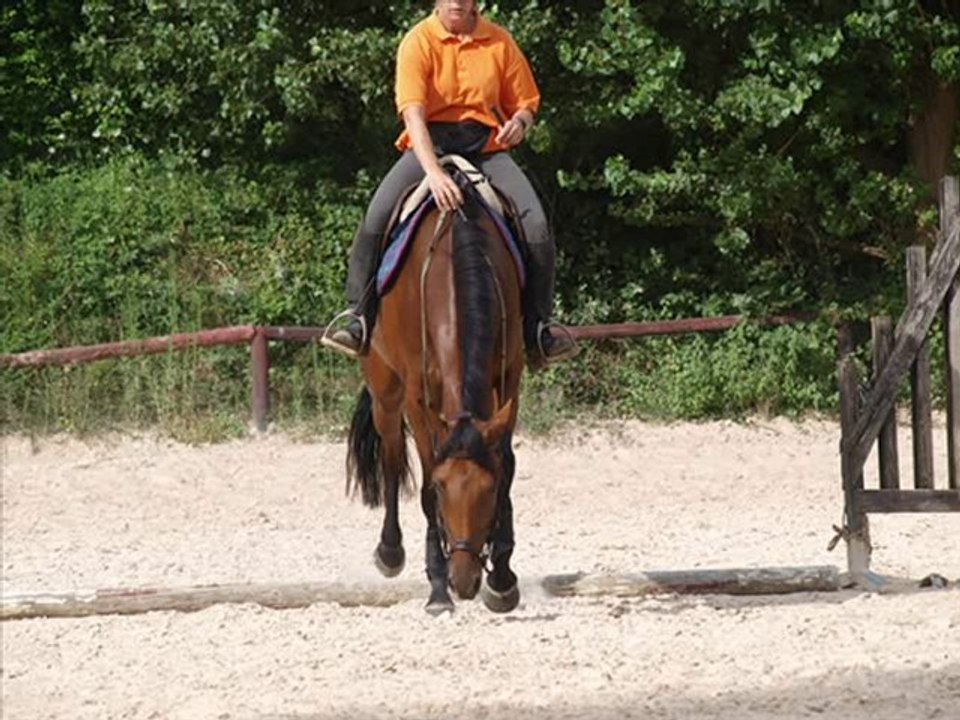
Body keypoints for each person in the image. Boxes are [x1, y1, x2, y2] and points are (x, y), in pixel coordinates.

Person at [323, 0, 577, 364]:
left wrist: (518, 124)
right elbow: (413, 115)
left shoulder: (500, 41)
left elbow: (526, 103)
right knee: (377, 214)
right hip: (428, 146)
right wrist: (434, 173)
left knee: (535, 221)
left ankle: (538, 329)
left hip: (486, 150)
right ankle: (358, 317)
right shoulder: (418, 41)